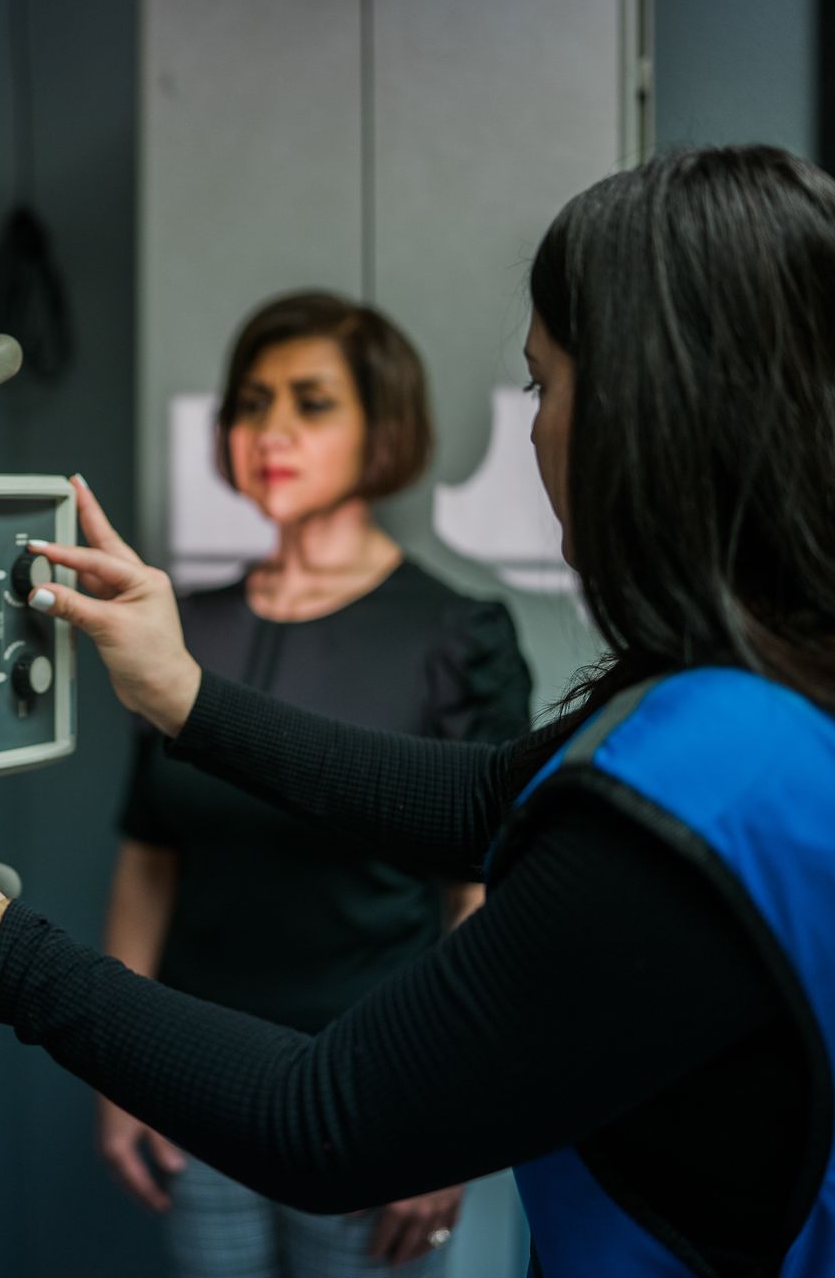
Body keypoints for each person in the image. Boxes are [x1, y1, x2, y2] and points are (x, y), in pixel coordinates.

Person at [0, 146, 835, 1276]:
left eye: (544, 386)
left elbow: (328, 1118)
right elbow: (483, 797)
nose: (537, 433)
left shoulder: (719, 786)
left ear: (650, 405)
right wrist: (186, 695)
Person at [101, 291, 530, 1274]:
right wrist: (117, 1067)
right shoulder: (181, 629)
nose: (271, 431)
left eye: (311, 402)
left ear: (385, 428)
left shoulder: (455, 633)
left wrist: (445, 1112)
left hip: (374, 1087)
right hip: (194, 1074)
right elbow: (147, 860)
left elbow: (484, 894)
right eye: (251, 403)